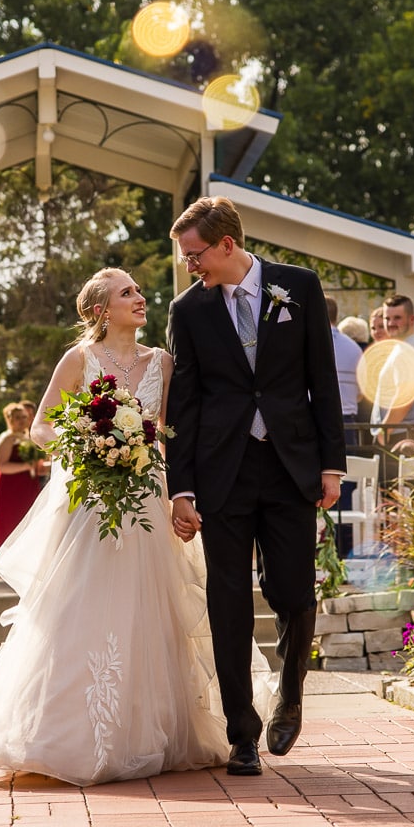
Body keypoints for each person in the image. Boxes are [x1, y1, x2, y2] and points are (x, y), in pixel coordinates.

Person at [0, 268, 228, 785]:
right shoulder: (80, 360)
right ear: (100, 310)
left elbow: (176, 432)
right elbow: (45, 423)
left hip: (148, 496)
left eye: (139, 290)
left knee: (150, 606)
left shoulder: (162, 360)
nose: (141, 298)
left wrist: (172, 481)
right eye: (127, 293)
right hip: (91, 499)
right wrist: (89, 441)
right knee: (82, 604)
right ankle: (64, 733)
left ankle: (149, 730)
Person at [165, 196, 345, 776]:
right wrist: (182, 486)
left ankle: (290, 694)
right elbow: (186, 404)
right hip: (223, 471)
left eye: (195, 256)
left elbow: (322, 378)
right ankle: (242, 732)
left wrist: (331, 465)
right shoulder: (187, 311)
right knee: (228, 600)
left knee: (293, 590)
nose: (190, 267)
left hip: (292, 465)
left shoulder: (299, 286)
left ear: (226, 245)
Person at [370, 294, 414, 447]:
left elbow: (406, 396)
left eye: (397, 318)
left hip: (403, 436)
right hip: (407, 433)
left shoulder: (409, 349)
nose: (391, 323)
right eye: (387, 318)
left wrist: (384, 431)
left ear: (411, 319)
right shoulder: (408, 345)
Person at [0, 403, 45, 550]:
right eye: (18, 418)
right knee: (11, 523)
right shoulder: (7, 439)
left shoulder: (29, 437)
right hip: (10, 488)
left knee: (29, 523)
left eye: (24, 417)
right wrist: (26, 467)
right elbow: (0, 465)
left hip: (29, 486)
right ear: (10, 420)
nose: (22, 421)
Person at [325, 297, 362, 426]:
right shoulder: (354, 348)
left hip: (315, 420)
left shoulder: (307, 344)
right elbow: (361, 392)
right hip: (347, 419)